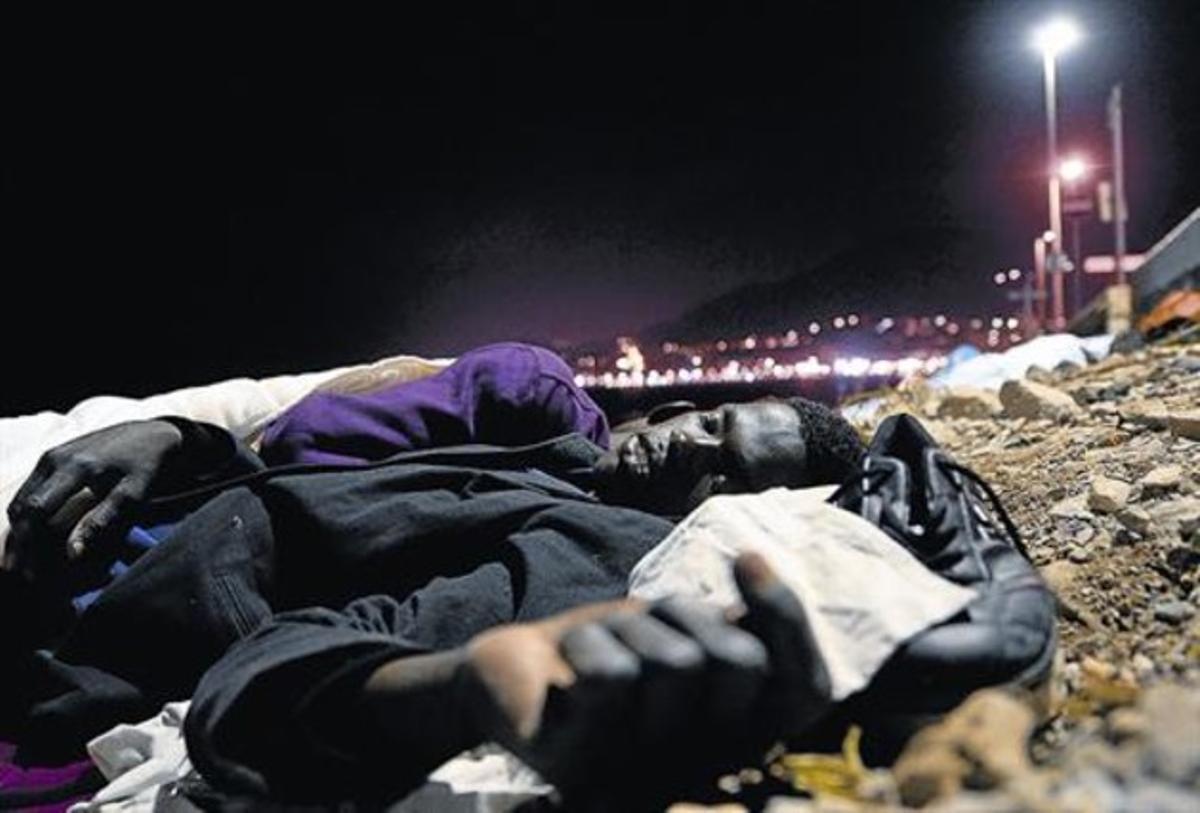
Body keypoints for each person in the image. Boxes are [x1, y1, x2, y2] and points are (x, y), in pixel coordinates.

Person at [0, 350, 866, 805]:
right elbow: (298, 481)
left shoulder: (593, 540)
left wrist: (460, 686)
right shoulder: (549, 451)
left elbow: (295, 666)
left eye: (728, 469)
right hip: (97, 527)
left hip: (71, 630)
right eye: (714, 423)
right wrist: (179, 439)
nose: (689, 444)